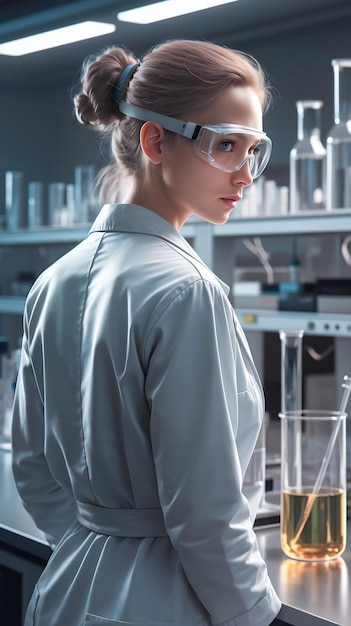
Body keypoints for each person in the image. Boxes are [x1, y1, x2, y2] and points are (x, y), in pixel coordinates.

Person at [12, 39, 283, 626]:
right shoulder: (187, 292)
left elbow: (33, 468)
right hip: (166, 600)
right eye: (226, 144)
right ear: (155, 140)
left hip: (70, 585)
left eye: (254, 150)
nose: (245, 174)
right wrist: (255, 616)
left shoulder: (54, 281)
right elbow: (206, 515)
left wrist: (105, 543)